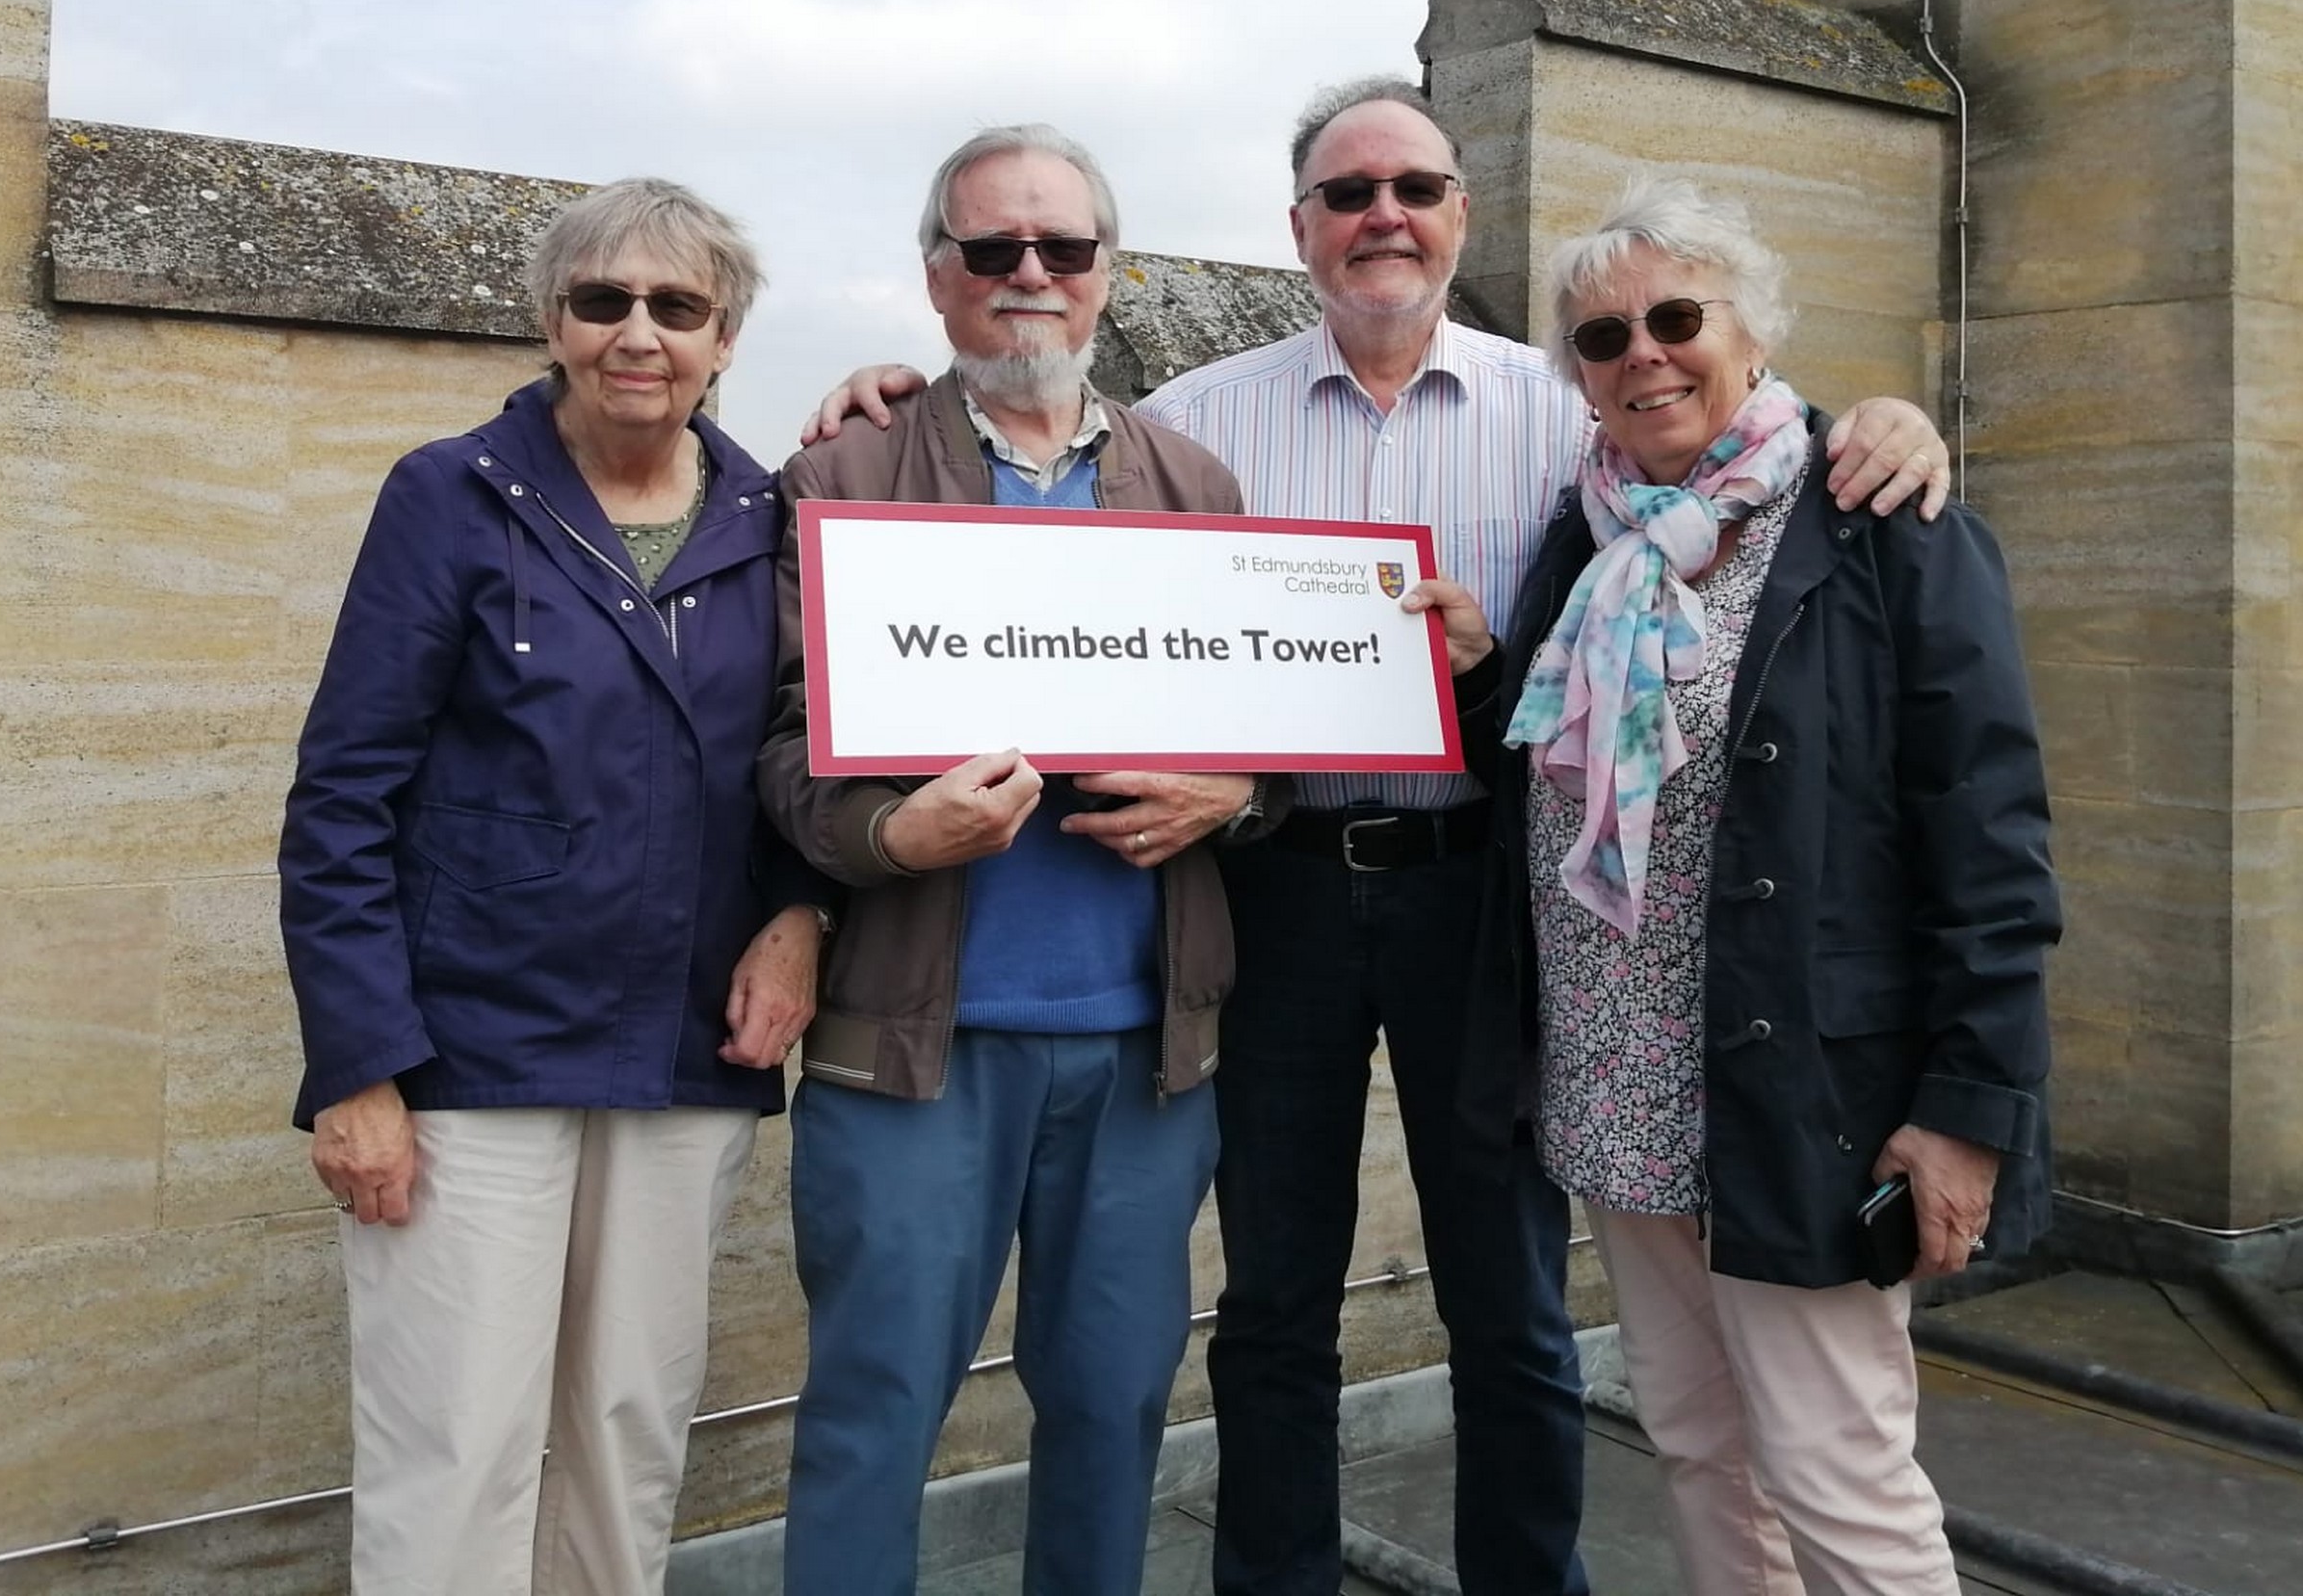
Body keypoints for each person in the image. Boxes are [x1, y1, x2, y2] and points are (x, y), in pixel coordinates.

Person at [807, 77, 1951, 1595]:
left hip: (1484, 899)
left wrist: (1880, 416)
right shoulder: (1196, 427)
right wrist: (880, 388)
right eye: (1348, 196)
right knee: (1275, 1297)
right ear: (1302, 230)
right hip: (1269, 892)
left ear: (1459, 212)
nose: (1383, 218)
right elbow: (1035, 496)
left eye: (1413, 187)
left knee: (1510, 1297)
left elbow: (1736, 454)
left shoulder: (1575, 411)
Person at [1463, 177, 2058, 1596]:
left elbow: (1990, 832)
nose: (1644, 355)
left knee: (1836, 1467)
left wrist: (1969, 1106)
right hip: (1619, 1080)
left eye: (1678, 317)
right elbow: (1557, 769)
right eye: (1603, 340)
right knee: (1696, 1442)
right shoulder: (1589, 542)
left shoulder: (1879, 516)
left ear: (1754, 333)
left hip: (1802, 1093)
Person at [279, 177, 828, 1596]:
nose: (638, 332)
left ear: (725, 336)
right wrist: (358, 1069)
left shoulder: (775, 516)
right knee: (457, 1440)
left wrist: (803, 911)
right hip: (470, 1052)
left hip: (678, 1050)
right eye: (604, 301)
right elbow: (342, 796)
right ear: (550, 320)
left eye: (678, 306)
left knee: (625, 1431)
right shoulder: (449, 496)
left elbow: (793, 756)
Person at [757, 124, 1270, 1596]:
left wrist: (1232, 795)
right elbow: (777, 750)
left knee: (1113, 1410)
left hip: (1145, 1052)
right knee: (875, 1411)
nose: (1029, 274)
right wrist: (886, 832)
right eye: (994, 250)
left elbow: (1273, 748)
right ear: (940, 279)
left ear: (1112, 278)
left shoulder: (1196, 484)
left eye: (1062, 248)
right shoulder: (842, 476)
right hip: (916, 1043)